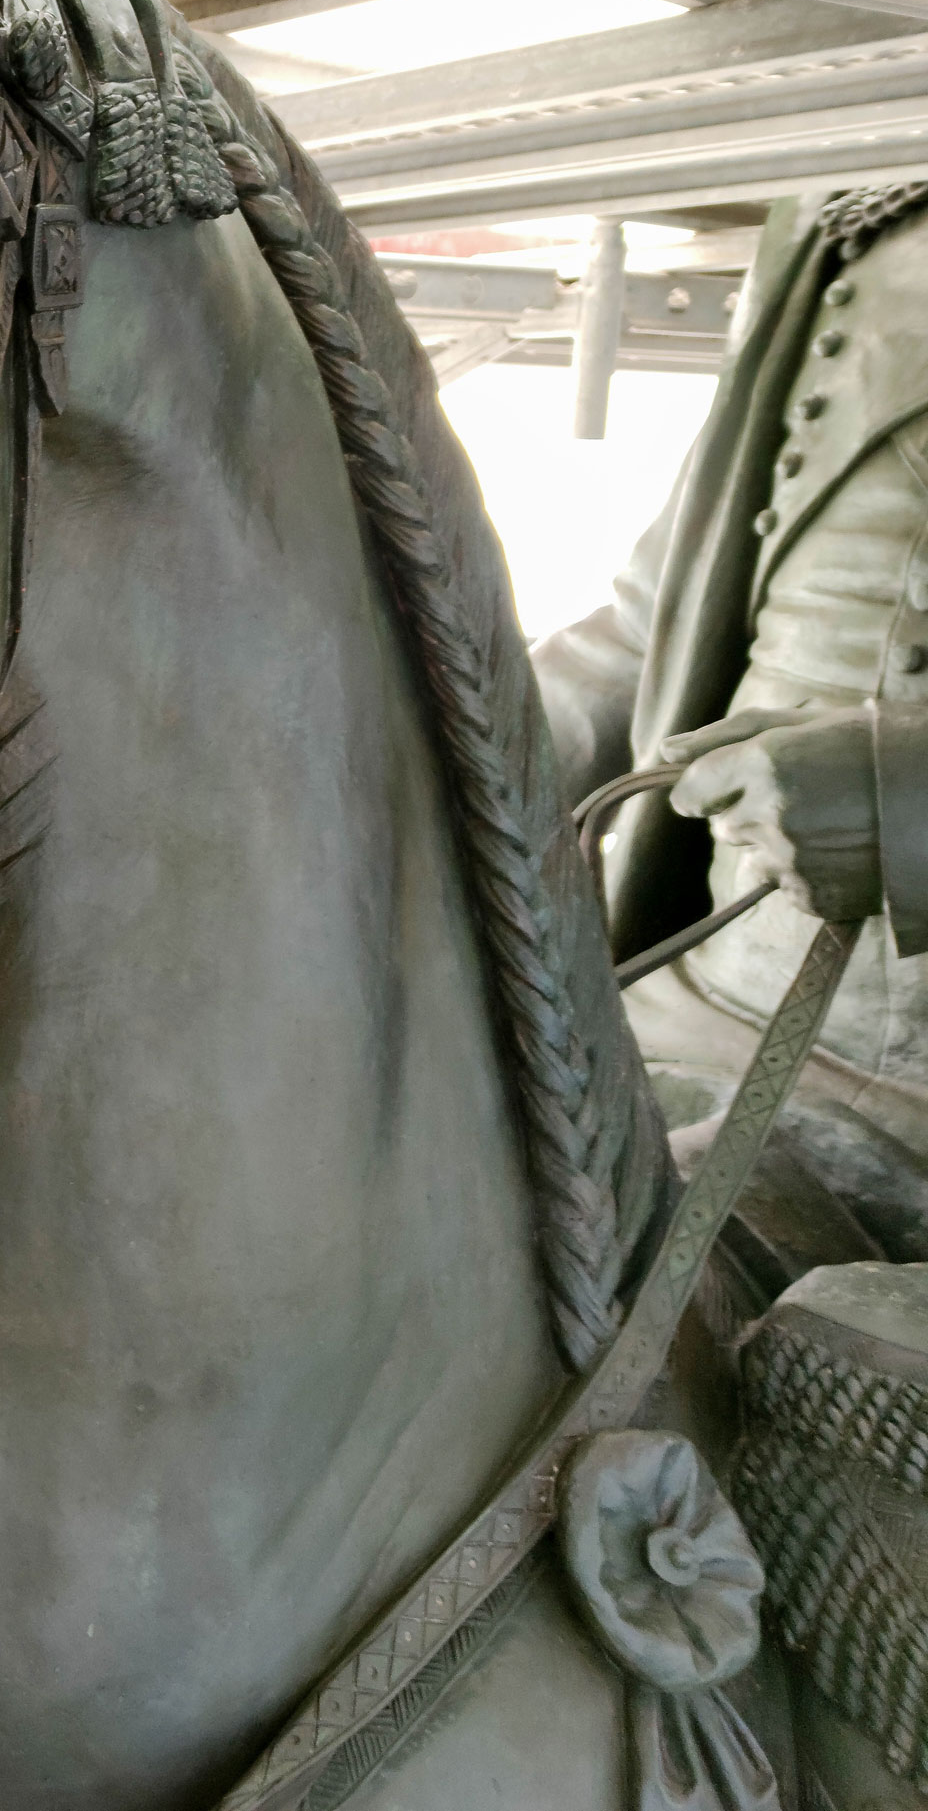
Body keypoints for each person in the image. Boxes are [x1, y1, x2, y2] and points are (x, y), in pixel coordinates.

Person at [535, 183, 928, 1808]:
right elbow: (640, 630)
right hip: (693, 1005)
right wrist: (404, 750)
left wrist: (908, 799)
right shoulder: (867, 228)